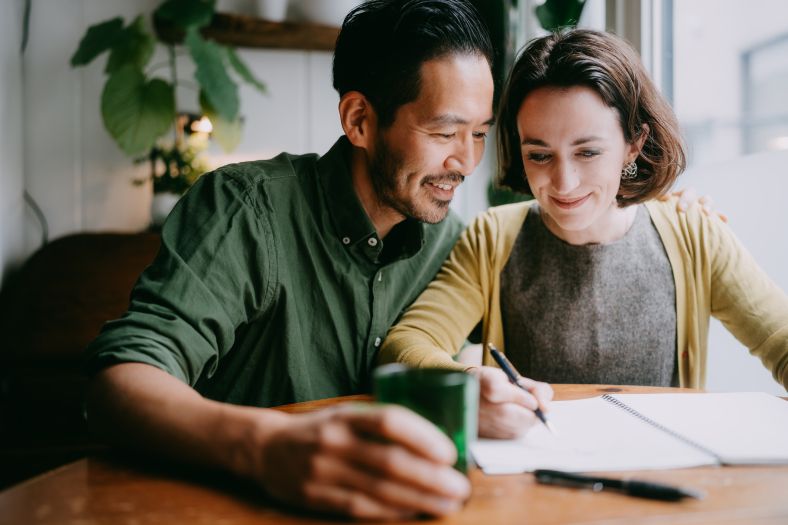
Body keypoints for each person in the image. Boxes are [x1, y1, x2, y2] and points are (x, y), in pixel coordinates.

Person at [83, 0, 555, 520]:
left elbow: (455, 350)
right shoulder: (247, 210)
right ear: (359, 120)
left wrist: (474, 385)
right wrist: (265, 447)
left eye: (481, 133)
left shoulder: (449, 244)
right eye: (445, 133)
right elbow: (120, 382)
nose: (466, 161)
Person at [380, 29, 788, 393]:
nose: (564, 183)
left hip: (659, 474)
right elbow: (405, 346)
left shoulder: (692, 232)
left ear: (633, 142)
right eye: (539, 155)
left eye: (588, 151)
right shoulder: (491, 238)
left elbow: (780, 340)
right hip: (534, 475)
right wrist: (473, 385)